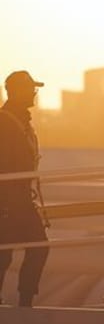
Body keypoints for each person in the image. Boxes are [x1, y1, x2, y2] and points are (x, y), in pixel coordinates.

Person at [0, 71, 49, 307]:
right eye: (31, 89)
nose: (34, 94)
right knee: (5, 253)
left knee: (34, 247)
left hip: (20, 200)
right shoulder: (5, 123)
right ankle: (24, 302)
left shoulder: (19, 121)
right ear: (17, 91)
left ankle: (25, 300)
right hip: (9, 202)